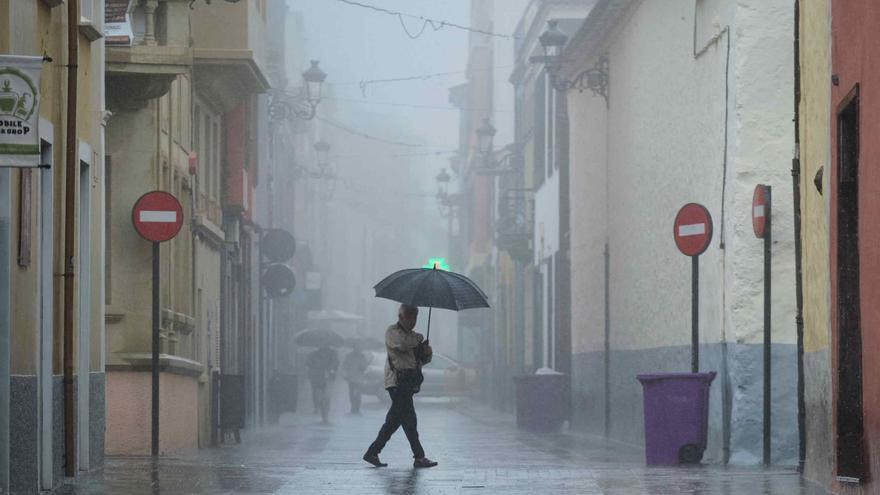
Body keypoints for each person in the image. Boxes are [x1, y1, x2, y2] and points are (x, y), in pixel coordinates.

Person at [363, 304, 438, 468]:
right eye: (410, 317)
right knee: (409, 419)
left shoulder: (415, 336)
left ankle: (372, 452)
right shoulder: (392, 332)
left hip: (409, 382)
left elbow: (422, 360)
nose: (413, 321)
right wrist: (418, 340)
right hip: (396, 382)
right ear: (401, 316)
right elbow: (401, 345)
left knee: (395, 420)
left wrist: (426, 351)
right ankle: (419, 456)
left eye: (415, 317)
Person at [306, 345, 338, 424]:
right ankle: (322, 413)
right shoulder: (313, 354)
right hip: (317, 378)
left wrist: (331, 369)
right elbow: (308, 363)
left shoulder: (333, 354)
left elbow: (336, 364)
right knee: (320, 396)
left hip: (328, 378)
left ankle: (325, 416)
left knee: (326, 397)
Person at [342, 342, 370, 414]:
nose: (357, 349)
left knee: (358, 394)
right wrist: (345, 374)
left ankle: (356, 408)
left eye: (358, 347)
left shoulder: (362, 356)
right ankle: (353, 408)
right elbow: (345, 365)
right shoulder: (349, 356)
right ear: (354, 348)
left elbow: (365, 366)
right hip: (352, 378)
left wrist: (363, 366)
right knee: (352, 394)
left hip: (358, 378)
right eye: (356, 347)